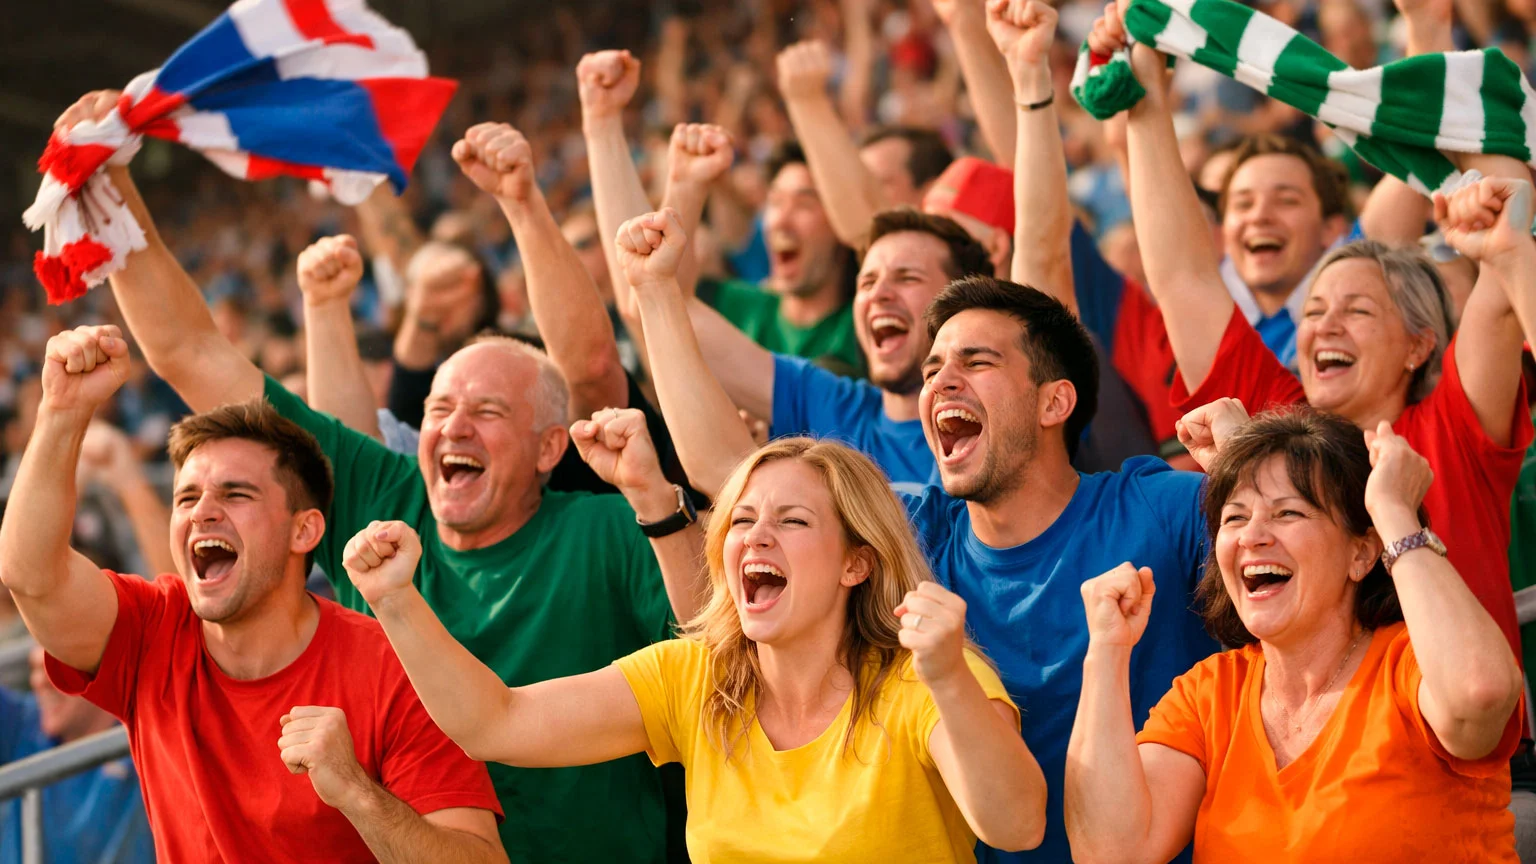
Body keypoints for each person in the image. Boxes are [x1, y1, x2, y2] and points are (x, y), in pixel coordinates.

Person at [61, 85, 705, 864]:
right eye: (437, 407)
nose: (452, 426)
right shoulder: (383, 502)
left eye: (487, 412)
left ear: (548, 448)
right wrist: (111, 186)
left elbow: (720, 643)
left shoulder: (608, 534)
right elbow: (192, 354)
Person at [615, 196, 1216, 862]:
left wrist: (1246, 453)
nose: (940, 383)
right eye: (933, 369)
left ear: (1055, 401)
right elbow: (734, 475)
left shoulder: (1160, 510)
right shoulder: (918, 527)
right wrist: (656, 294)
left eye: (976, 363)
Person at [341, 432, 1048, 862]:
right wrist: (396, 600)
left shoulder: (927, 682)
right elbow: (493, 722)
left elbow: (1016, 827)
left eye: (793, 520)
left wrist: (952, 678)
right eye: (741, 519)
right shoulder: (693, 676)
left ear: (855, 563)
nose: (756, 537)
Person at [1102, 16, 1535, 656]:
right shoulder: (1276, 416)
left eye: (1357, 310)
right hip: (1305, 750)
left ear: (1420, 344)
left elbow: (1508, 256)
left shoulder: (1455, 427)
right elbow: (1186, 276)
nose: (1323, 325)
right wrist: (1143, 83)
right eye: (1313, 312)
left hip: (1456, 749)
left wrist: (1475, 115)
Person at [0, 325, 504, 862]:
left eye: (235, 493)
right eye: (186, 497)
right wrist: (62, 410)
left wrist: (357, 794)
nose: (202, 511)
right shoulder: (153, 628)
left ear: (304, 531)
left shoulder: (396, 667)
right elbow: (32, 576)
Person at [1067, 408, 1524, 863]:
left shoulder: (1412, 666)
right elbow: (1110, 851)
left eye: (1288, 512)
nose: (1252, 537)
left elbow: (1478, 695)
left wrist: (1393, 512)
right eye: (1234, 518)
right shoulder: (1209, 694)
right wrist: (1106, 652)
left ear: (1362, 553)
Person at [576, 50, 864, 376]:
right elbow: (646, 304)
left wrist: (808, 100)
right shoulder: (742, 309)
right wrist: (603, 124)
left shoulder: (864, 329)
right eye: (775, 202)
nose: (780, 220)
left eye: (804, 204)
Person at [0, 648, 154, 864]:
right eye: (34, 668)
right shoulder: (24, 725)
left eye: (54, 666)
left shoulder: (148, 736)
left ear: (99, 668)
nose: (38, 682)